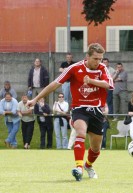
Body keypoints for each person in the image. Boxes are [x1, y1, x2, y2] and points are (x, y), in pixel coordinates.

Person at [27, 43, 114, 181]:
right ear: (87, 56)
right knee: (80, 132)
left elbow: (108, 85)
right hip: (79, 109)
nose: (98, 62)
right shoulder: (74, 68)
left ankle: (88, 166)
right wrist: (36, 99)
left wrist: (91, 81)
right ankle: (78, 168)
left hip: (97, 111)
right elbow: (54, 84)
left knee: (96, 149)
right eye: (95, 59)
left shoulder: (102, 68)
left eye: (100, 59)